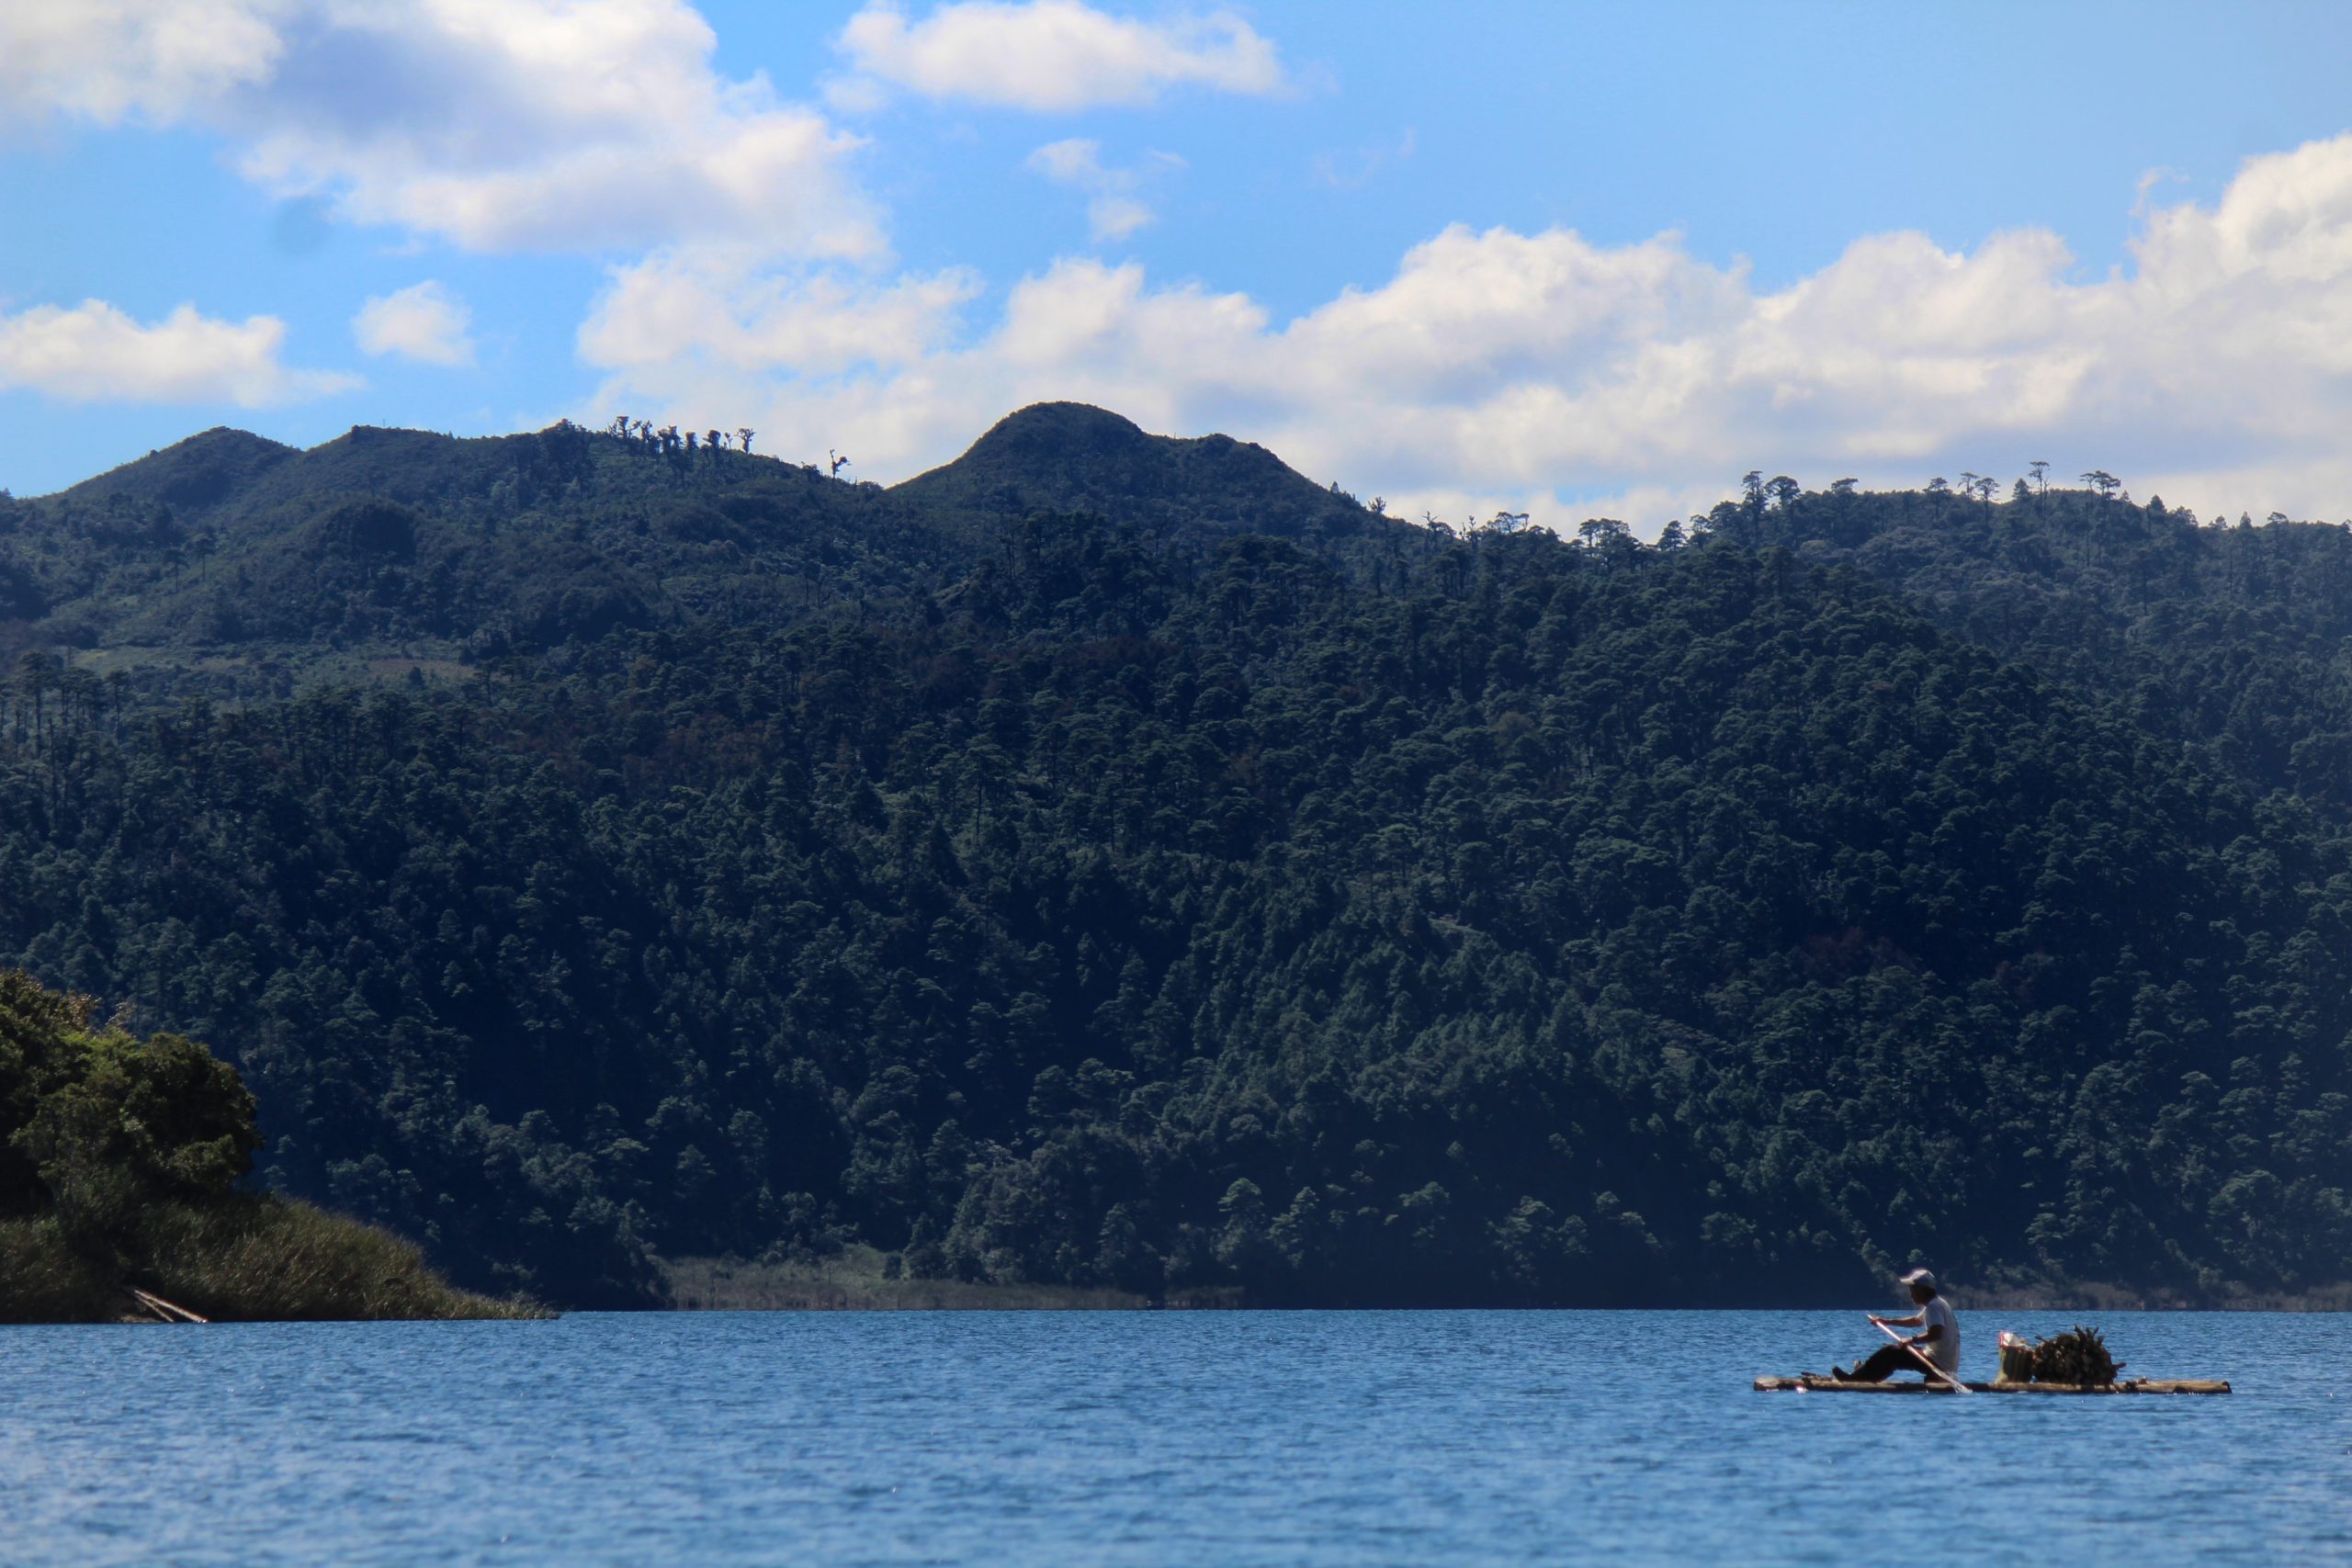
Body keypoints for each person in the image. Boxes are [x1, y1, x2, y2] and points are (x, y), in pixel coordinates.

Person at [1833, 1267, 1960, 1383]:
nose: (1911, 1295)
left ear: (1921, 1289)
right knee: (1892, 1354)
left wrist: (1911, 1339)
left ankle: (1857, 1378)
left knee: (1891, 1352)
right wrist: (1887, 1321)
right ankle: (1865, 1374)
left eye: (1912, 1290)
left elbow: (1936, 1333)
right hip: (1940, 1359)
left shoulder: (1934, 1306)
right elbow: (1916, 1321)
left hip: (1940, 1363)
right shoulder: (1937, 1303)